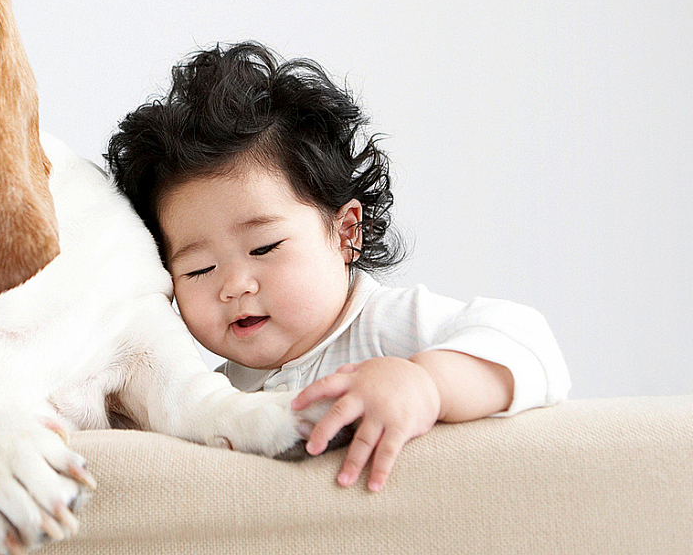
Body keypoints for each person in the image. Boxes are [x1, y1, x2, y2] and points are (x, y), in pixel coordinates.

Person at [105, 42, 570, 491]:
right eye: (199, 269)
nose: (234, 285)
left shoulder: (386, 328)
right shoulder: (219, 396)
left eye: (264, 247)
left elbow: (528, 342)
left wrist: (426, 383)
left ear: (346, 232)